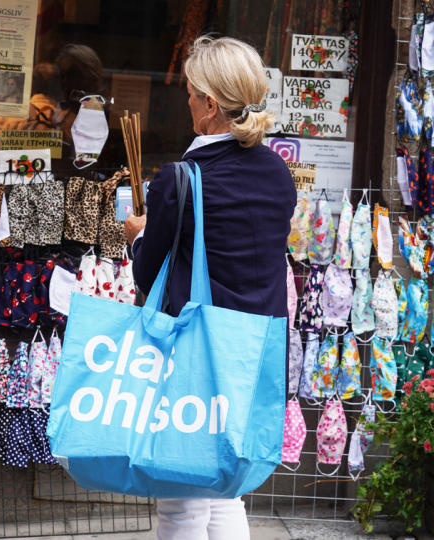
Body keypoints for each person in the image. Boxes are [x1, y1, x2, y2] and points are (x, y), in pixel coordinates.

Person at [124, 36, 295, 540]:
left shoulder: (180, 179)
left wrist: (139, 235)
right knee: (224, 492)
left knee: (180, 505)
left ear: (211, 106)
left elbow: (146, 276)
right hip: (253, 354)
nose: (188, 102)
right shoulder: (277, 173)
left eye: (193, 94)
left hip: (196, 357)